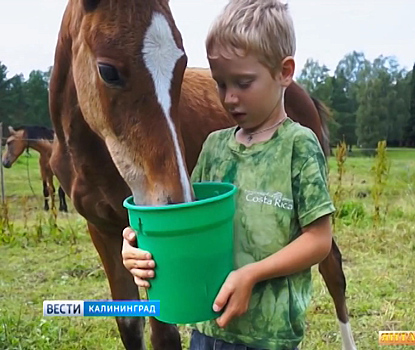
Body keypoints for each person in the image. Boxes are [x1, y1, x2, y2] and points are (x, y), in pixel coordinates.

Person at [122, 0, 334, 349]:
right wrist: (135, 247)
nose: (229, 98)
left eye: (243, 82)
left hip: (270, 336)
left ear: (284, 72)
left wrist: (252, 273)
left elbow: (318, 240)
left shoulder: (298, 146)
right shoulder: (215, 147)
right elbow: (185, 226)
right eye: (220, 84)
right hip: (207, 331)